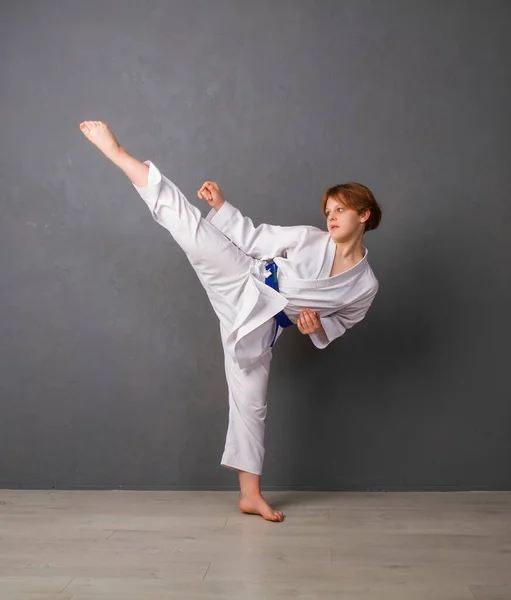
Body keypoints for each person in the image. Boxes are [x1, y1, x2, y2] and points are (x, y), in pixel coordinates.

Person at [79, 120, 381, 522]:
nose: (331, 216)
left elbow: (340, 324)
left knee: (251, 404)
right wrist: (221, 207)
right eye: (328, 210)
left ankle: (250, 495)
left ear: (365, 215)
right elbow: (256, 238)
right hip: (244, 276)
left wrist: (317, 329)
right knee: (188, 224)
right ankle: (116, 152)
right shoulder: (310, 239)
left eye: (340, 209)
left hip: (261, 326)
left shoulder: (364, 285)